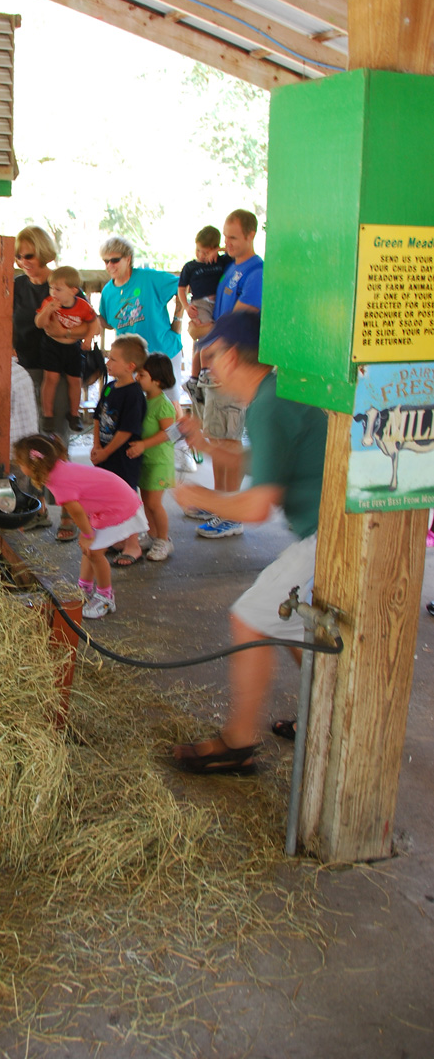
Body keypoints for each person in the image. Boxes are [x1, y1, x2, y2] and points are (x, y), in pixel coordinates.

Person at [171, 311, 328, 775]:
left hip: (330, 536)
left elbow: (258, 507)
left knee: (251, 618)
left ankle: (239, 742)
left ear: (233, 356)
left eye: (212, 357)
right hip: (329, 530)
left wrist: (202, 496)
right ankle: (325, 714)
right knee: (291, 623)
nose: (209, 368)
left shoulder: (270, 404)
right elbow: (260, 457)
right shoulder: (278, 394)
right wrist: (206, 441)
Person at [183, 210, 264, 541]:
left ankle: (230, 513)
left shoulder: (256, 272)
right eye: (225, 237)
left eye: (233, 237)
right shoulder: (230, 268)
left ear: (250, 236)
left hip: (233, 365)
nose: (226, 243)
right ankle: (221, 504)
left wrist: (204, 330)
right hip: (216, 363)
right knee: (216, 436)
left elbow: (239, 324)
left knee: (227, 439)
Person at [14, 433, 148, 620]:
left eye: (20, 462)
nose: (18, 466)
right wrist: (87, 533)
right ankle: (83, 588)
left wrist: (86, 533)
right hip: (110, 503)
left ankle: (105, 597)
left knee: (94, 551)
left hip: (118, 506)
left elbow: (76, 512)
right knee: (89, 550)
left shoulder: (57, 481)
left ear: (33, 464)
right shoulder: (58, 468)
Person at [12, 226, 81, 541]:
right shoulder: (14, 286)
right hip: (25, 371)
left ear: (44, 253)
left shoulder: (62, 285)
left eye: (29, 255)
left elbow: (85, 323)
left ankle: (69, 513)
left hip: (58, 372)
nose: (24, 261)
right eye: (19, 256)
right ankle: (38, 509)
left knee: (57, 440)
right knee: (30, 442)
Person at [98, 235, 183, 410]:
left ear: (128, 259)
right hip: (133, 359)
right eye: (106, 261)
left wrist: (178, 317)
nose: (109, 265)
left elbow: (183, 285)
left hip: (163, 351)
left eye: (115, 260)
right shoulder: (108, 291)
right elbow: (108, 322)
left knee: (169, 405)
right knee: (136, 406)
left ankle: (173, 438)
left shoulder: (149, 278)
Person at [92, 334, 147, 566]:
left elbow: (126, 430)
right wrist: (96, 446)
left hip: (123, 458)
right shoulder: (109, 387)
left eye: (113, 360)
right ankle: (117, 538)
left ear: (130, 366)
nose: (108, 363)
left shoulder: (134, 394)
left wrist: (106, 451)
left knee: (126, 497)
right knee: (107, 495)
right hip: (104, 454)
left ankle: (133, 544)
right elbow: (98, 416)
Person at [34, 264, 101, 433]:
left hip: (73, 347)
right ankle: (47, 414)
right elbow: (39, 324)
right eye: (51, 288)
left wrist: (88, 338)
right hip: (51, 346)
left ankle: (74, 413)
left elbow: (95, 324)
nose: (53, 293)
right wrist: (47, 311)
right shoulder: (49, 302)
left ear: (73, 290)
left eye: (58, 289)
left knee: (75, 380)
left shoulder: (83, 306)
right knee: (51, 379)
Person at [126, 352, 176, 562]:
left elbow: (169, 433)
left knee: (155, 504)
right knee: (147, 502)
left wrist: (144, 444)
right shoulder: (145, 399)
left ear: (157, 380)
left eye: (142, 375)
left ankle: (164, 540)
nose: (137, 378)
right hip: (145, 459)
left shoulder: (163, 404)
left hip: (159, 461)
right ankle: (153, 536)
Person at [177, 226, 233, 381]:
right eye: (198, 250)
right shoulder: (191, 267)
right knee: (205, 335)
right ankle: (201, 373)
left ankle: (201, 374)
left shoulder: (221, 261)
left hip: (219, 303)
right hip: (200, 303)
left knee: (214, 336)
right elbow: (181, 289)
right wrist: (187, 307)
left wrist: (219, 251)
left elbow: (233, 251)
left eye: (206, 252)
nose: (201, 255)